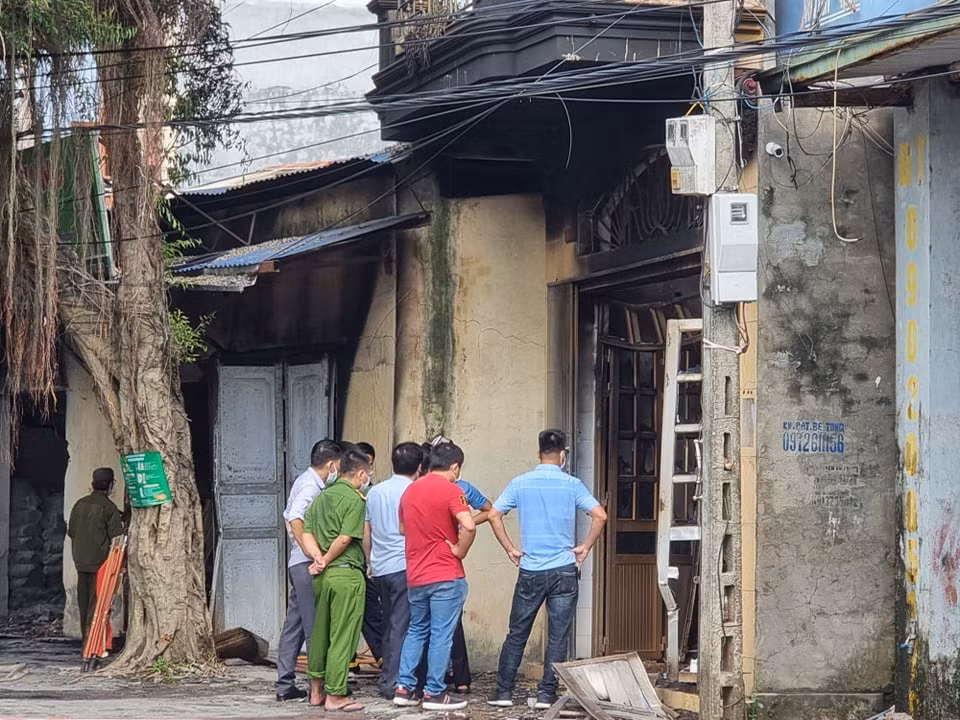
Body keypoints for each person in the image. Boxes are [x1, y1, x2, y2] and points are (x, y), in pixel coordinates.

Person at [486, 429, 608, 709]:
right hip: (564, 569)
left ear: (538, 453)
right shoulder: (572, 484)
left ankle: (503, 691)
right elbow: (599, 515)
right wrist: (585, 546)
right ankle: (545, 694)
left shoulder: (520, 483)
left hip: (530, 569)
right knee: (558, 635)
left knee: (517, 632)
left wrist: (510, 548)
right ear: (563, 454)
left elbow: (494, 514)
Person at [393, 442, 476, 711]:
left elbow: (403, 529)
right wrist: (459, 550)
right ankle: (434, 693)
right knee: (442, 634)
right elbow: (469, 524)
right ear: (454, 467)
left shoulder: (409, 491)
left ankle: (404, 688)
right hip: (445, 573)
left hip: (416, 574)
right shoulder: (453, 490)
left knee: (416, 630)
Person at [301, 447, 372, 712]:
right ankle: (336, 695)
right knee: (343, 635)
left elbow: (306, 532)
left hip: (323, 576)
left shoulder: (321, 497)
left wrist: (318, 558)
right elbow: (345, 538)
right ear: (361, 474)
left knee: (320, 633)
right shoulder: (356, 500)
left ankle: (316, 692)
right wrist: (328, 559)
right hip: (345, 573)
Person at [275, 439, 342, 702]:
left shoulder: (309, 481)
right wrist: (311, 552)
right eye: (339, 464)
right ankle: (320, 685)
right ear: (331, 464)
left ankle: (284, 683)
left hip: (299, 562)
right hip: (307, 566)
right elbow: (294, 518)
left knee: (294, 624)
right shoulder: (310, 485)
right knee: (315, 626)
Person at [427, 437, 492, 694]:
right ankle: (461, 678)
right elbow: (489, 510)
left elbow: (488, 510)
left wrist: (464, 526)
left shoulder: (433, 487)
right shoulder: (458, 487)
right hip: (449, 557)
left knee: (428, 623)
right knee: (451, 622)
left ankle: (434, 680)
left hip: (434, 558)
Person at [363, 442, 424, 699]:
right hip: (405, 565)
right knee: (404, 626)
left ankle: (390, 676)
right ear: (420, 467)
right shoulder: (415, 491)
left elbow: (367, 532)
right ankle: (395, 683)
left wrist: (370, 562)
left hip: (381, 567)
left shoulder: (375, 492)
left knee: (390, 624)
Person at [67, 468, 123, 644]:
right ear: (110, 485)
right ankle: (92, 644)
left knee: (84, 602)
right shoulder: (109, 508)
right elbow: (117, 537)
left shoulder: (79, 504)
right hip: (100, 563)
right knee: (97, 604)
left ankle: (86, 640)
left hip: (80, 560)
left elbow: (71, 531)